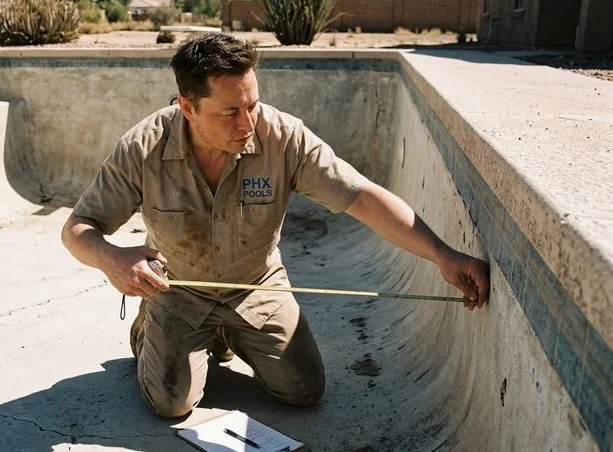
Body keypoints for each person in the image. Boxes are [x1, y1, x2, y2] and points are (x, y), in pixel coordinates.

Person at [61, 32, 489, 418]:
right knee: (172, 403)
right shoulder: (143, 146)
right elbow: (77, 227)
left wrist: (443, 255)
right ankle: (149, 330)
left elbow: (364, 199)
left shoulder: (284, 137)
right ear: (187, 107)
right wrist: (111, 258)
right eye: (230, 113)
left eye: (252, 104)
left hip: (257, 286)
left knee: (304, 391)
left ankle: (225, 336)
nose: (247, 124)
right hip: (180, 290)